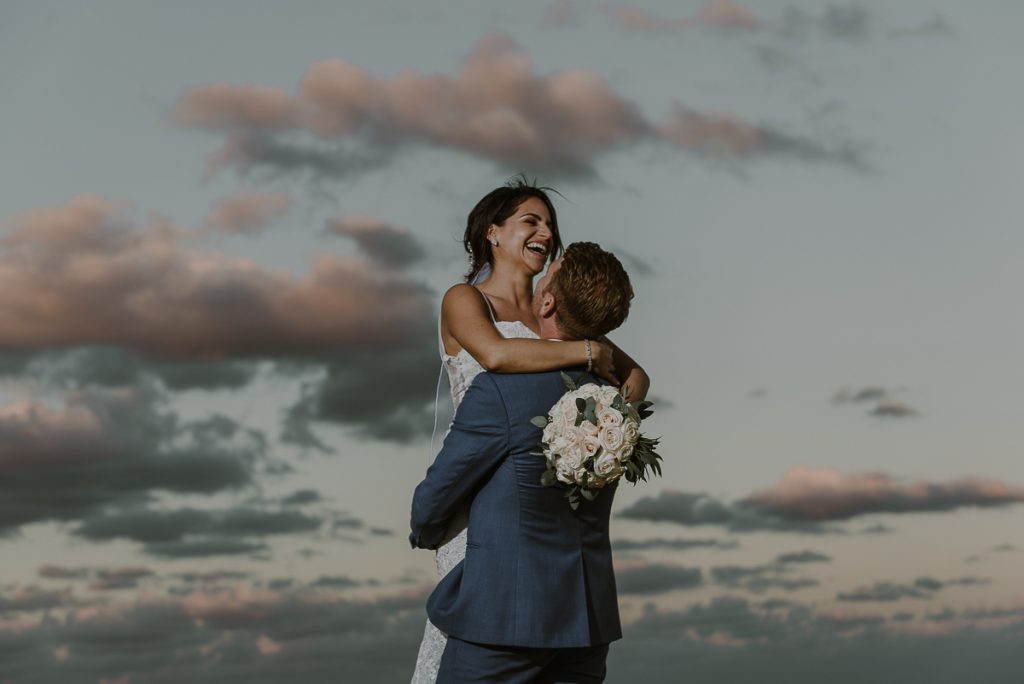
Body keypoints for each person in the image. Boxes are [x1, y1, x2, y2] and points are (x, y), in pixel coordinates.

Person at [410, 179, 649, 683]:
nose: (545, 230)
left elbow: (637, 378)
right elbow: (495, 356)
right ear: (492, 233)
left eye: (549, 223)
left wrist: (602, 434)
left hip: (544, 503)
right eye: (530, 220)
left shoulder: (557, 313)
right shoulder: (467, 300)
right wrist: (586, 353)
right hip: (479, 490)